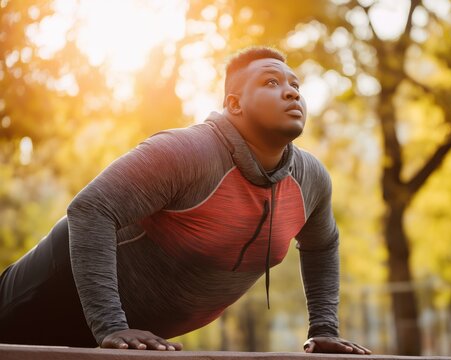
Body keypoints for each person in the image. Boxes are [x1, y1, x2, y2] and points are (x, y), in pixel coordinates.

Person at [0, 47, 371, 355]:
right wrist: (112, 325)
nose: (292, 92)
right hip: (43, 296)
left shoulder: (311, 181)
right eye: (271, 82)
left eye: (295, 85)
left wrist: (324, 328)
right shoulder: (187, 152)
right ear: (234, 105)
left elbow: (323, 245)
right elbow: (91, 209)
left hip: (131, 339)